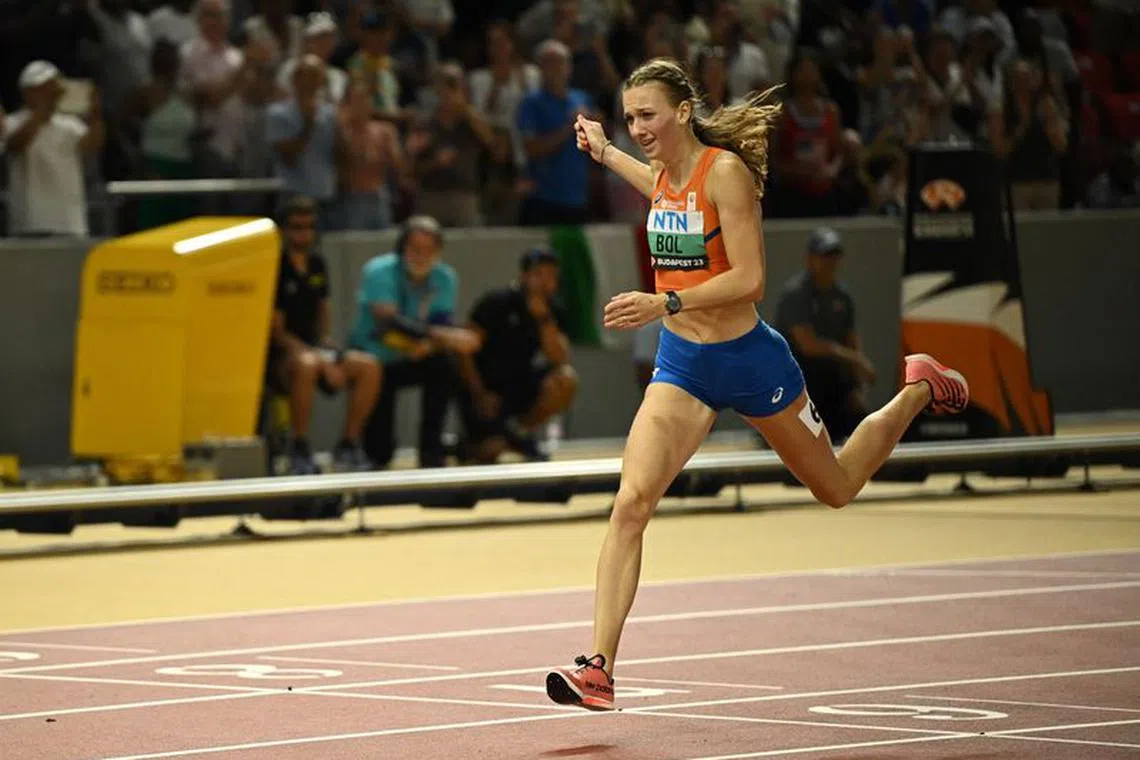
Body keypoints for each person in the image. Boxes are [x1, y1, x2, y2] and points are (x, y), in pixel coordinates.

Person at [544, 57, 970, 712]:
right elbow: (652, 180)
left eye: (647, 115)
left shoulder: (727, 175)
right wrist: (603, 153)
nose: (638, 128)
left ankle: (918, 388)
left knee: (835, 486)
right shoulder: (663, 175)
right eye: (628, 118)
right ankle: (599, 666)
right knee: (631, 504)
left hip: (751, 360)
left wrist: (667, 304)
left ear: (683, 113)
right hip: (683, 367)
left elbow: (750, 280)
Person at [348, 215, 480, 469]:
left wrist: (437, 341)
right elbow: (387, 322)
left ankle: (433, 451)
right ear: (402, 248)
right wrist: (442, 337)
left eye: (429, 249)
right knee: (380, 452)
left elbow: (442, 321)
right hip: (377, 359)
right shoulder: (379, 271)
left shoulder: (445, 277)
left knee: (447, 364)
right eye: (415, 248)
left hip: (418, 353)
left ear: (439, 251)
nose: (421, 255)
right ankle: (370, 451)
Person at [266, 196, 381, 475]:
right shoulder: (275, 267)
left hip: (314, 349)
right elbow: (277, 331)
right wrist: (317, 357)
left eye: (309, 226)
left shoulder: (318, 264)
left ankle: (349, 444)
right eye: (296, 227)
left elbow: (323, 312)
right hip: (282, 356)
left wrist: (328, 347)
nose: (304, 233)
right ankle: (300, 447)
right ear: (282, 230)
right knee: (307, 365)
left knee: (368, 365)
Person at [456, 246, 579, 463]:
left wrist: (543, 319)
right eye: (538, 274)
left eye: (551, 276)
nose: (544, 282)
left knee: (565, 380)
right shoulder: (496, 302)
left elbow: (559, 357)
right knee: (488, 452)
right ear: (524, 276)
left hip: (521, 384)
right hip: (485, 388)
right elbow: (464, 352)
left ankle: (518, 433)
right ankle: (475, 443)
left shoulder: (553, 309)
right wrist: (480, 394)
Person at [774, 226, 874, 443]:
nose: (830, 262)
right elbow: (808, 345)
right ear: (810, 258)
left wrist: (856, 385)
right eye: (824, 255)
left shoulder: (842, 296)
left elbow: (852, 339)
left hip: (835, 385)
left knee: (866, 429)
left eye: (834, 255)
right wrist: (855, 359)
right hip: (800, 384)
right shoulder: (796, 294)